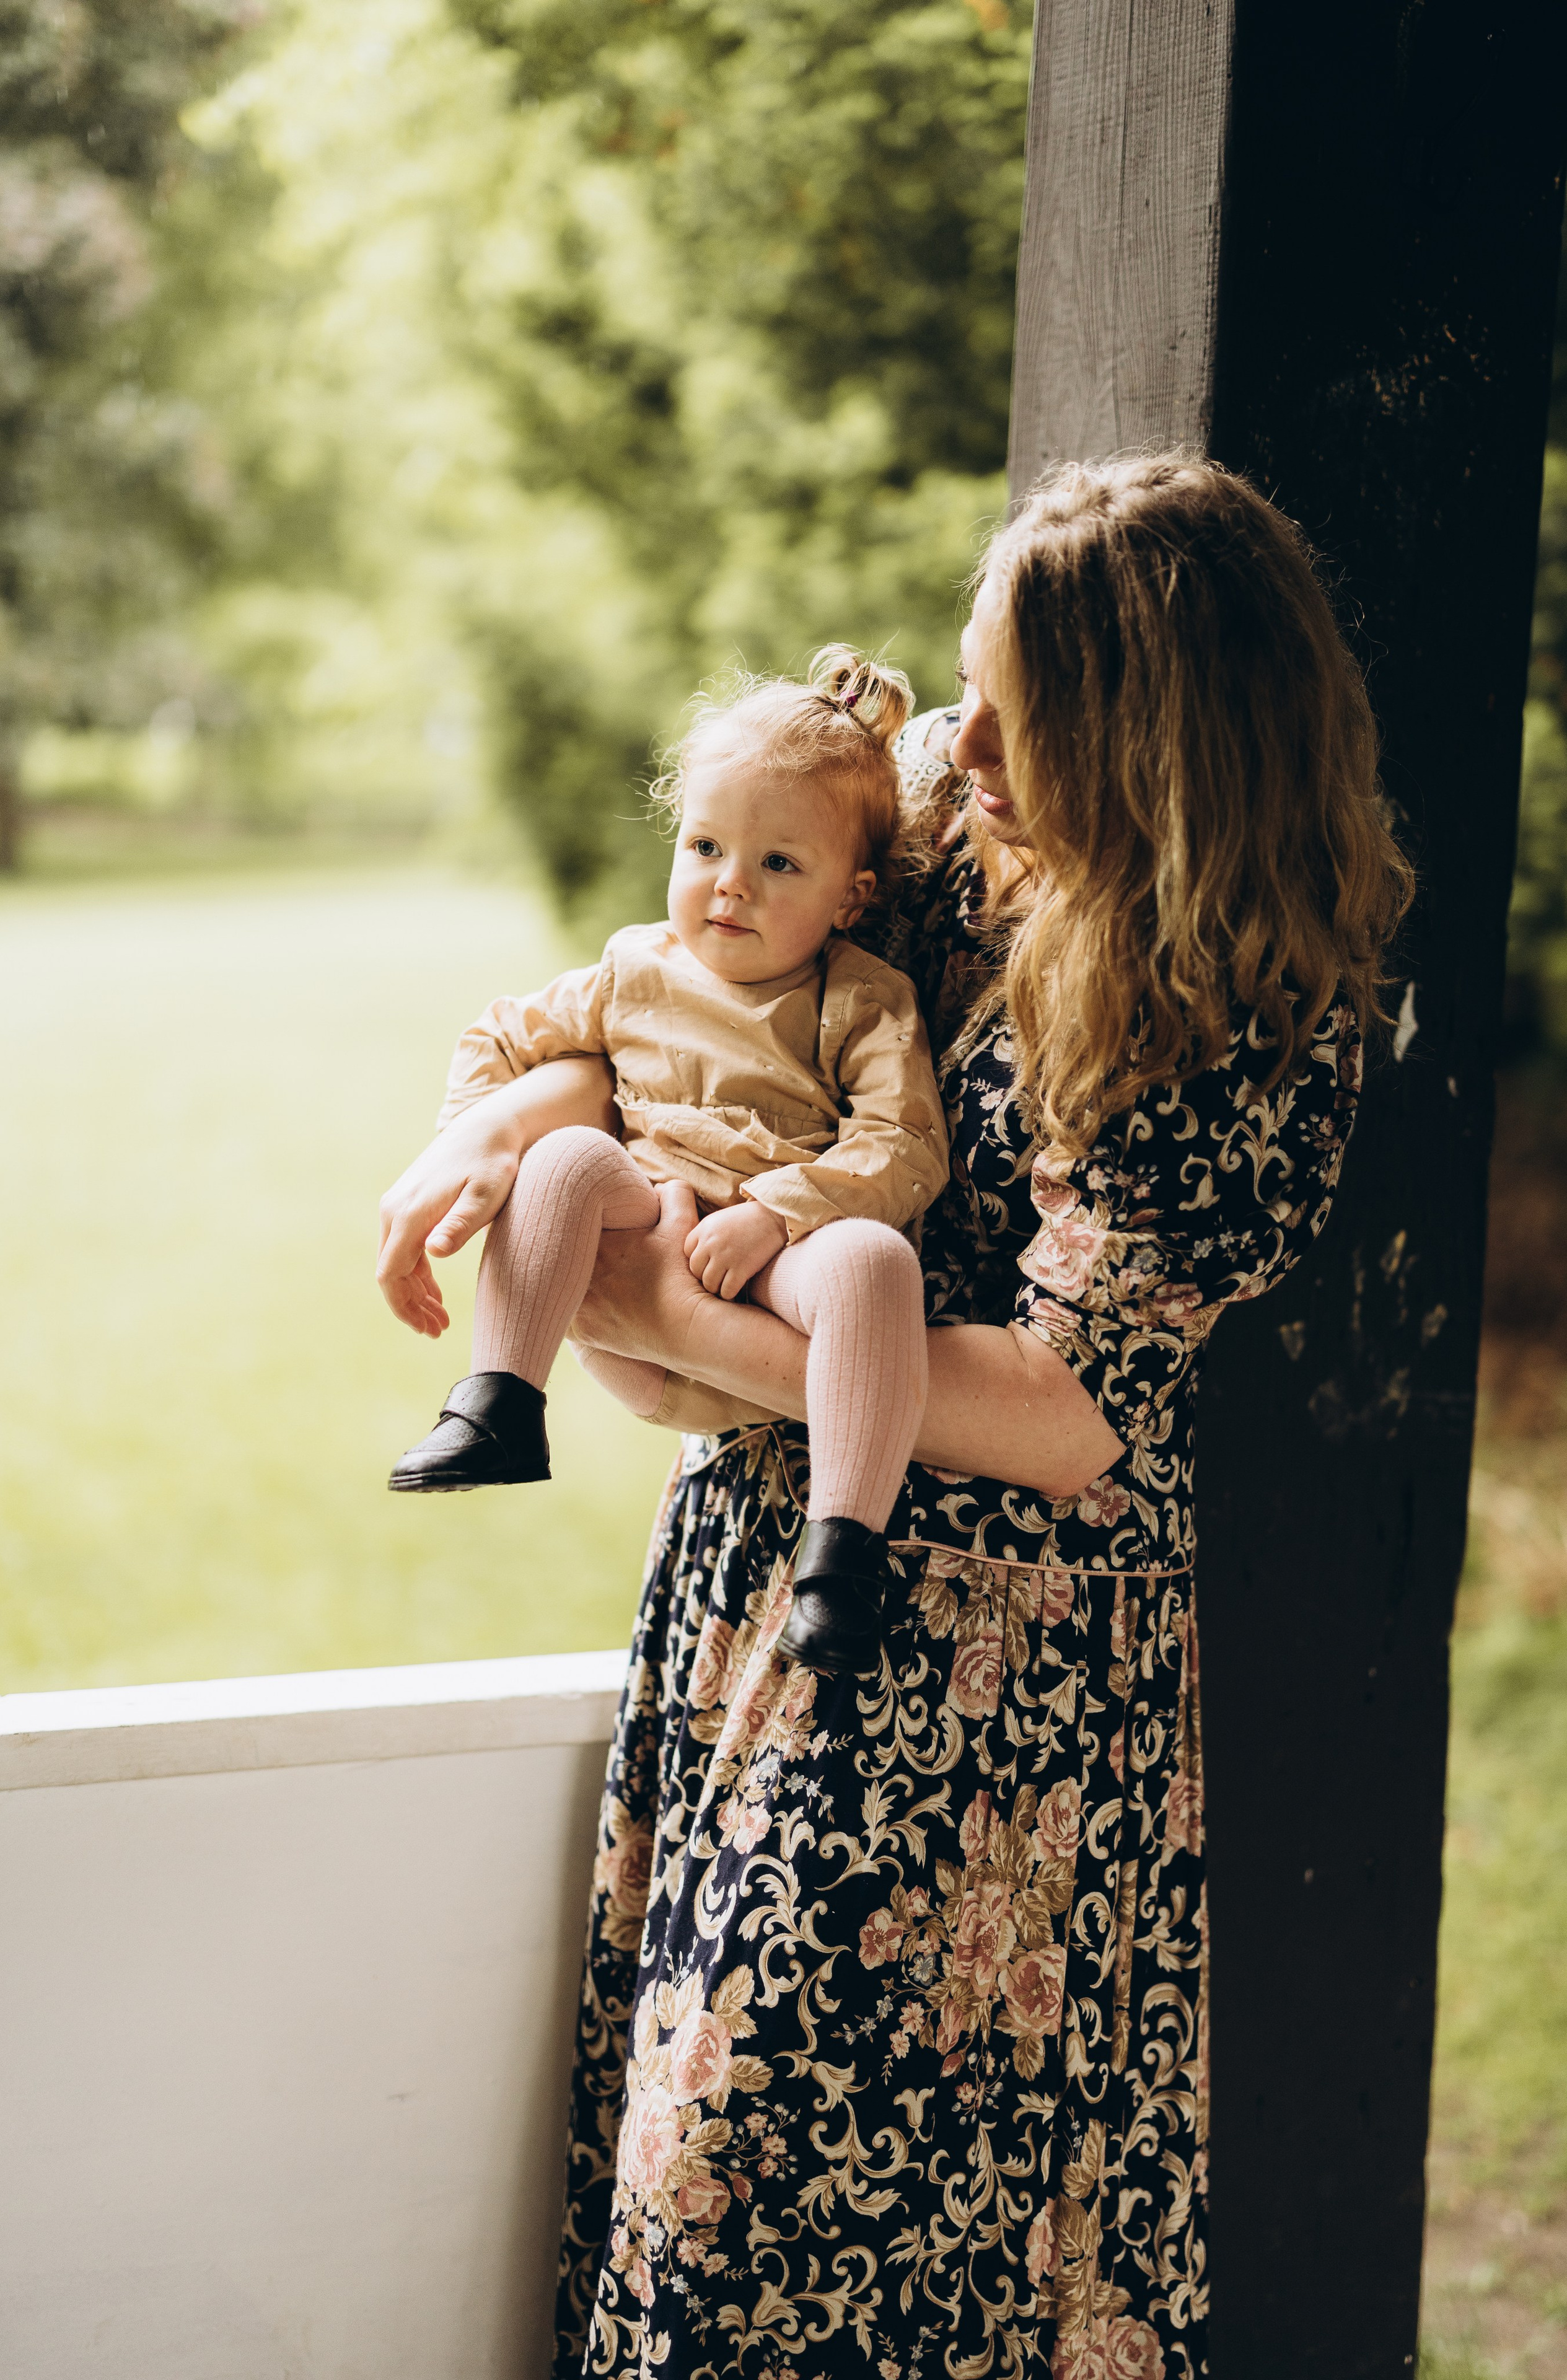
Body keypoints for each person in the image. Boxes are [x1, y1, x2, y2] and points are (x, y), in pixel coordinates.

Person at [375, 455, 1411, 2376]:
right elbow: (677, 1000)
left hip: (1000, 1684)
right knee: (693, 2171)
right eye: (974, 686)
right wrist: (506, 1127)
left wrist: (668, 1314)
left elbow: (1071, 1409)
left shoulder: (1261, 1010)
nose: (966, 744)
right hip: (760, 1567)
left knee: (829, 2210)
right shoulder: (929, 803)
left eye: (1029, 718)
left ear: (1159, 749)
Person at [385, 647, 950, 1675]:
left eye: (779, 864)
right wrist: (469, 1141)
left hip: (776, 1283)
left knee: (876, 1262)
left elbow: (902, 1141)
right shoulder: (635, 967)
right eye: (705, 846)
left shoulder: (863, 999)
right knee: (564, 1157)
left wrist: (777, 1212)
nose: (730, 884)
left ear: (852, 896)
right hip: (642, 1250)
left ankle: (839, 1563)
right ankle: (500, 1402)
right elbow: (499, 1036)